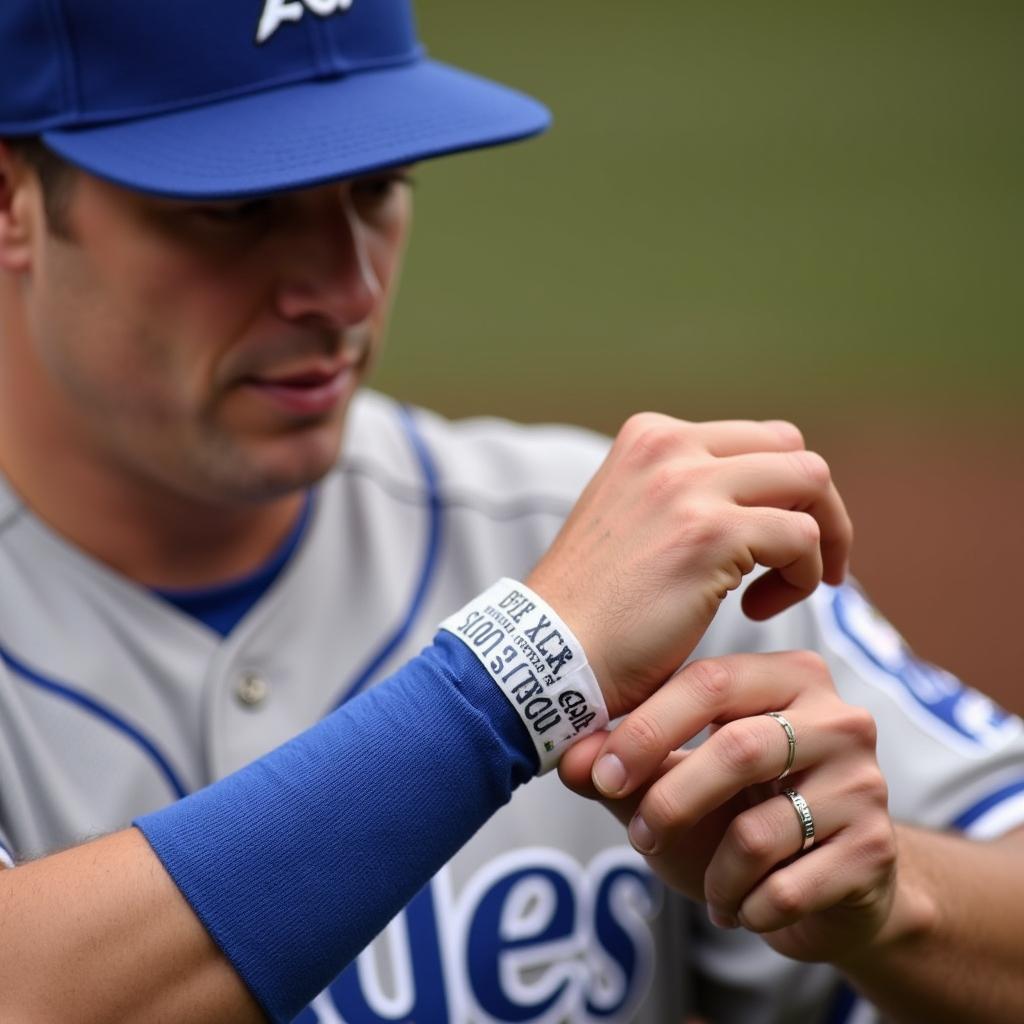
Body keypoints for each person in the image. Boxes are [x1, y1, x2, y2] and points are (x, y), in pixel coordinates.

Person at [0, 2, 1021, 1022]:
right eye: (238, 208)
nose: (343, 289)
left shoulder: (618, 546)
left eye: (376, 188)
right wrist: (517, 674)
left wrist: (894, 901)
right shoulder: (584, 601)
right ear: (14, 201)